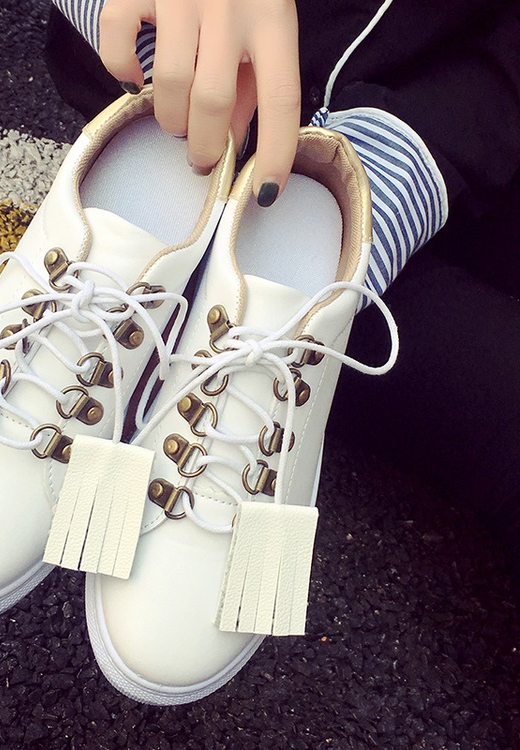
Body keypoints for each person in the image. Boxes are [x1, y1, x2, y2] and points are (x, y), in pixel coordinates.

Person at [45, 0, 520, 579]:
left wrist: (404, 162)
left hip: (449, 151)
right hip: (181, 85)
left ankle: (249, 317)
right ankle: (151, 273)